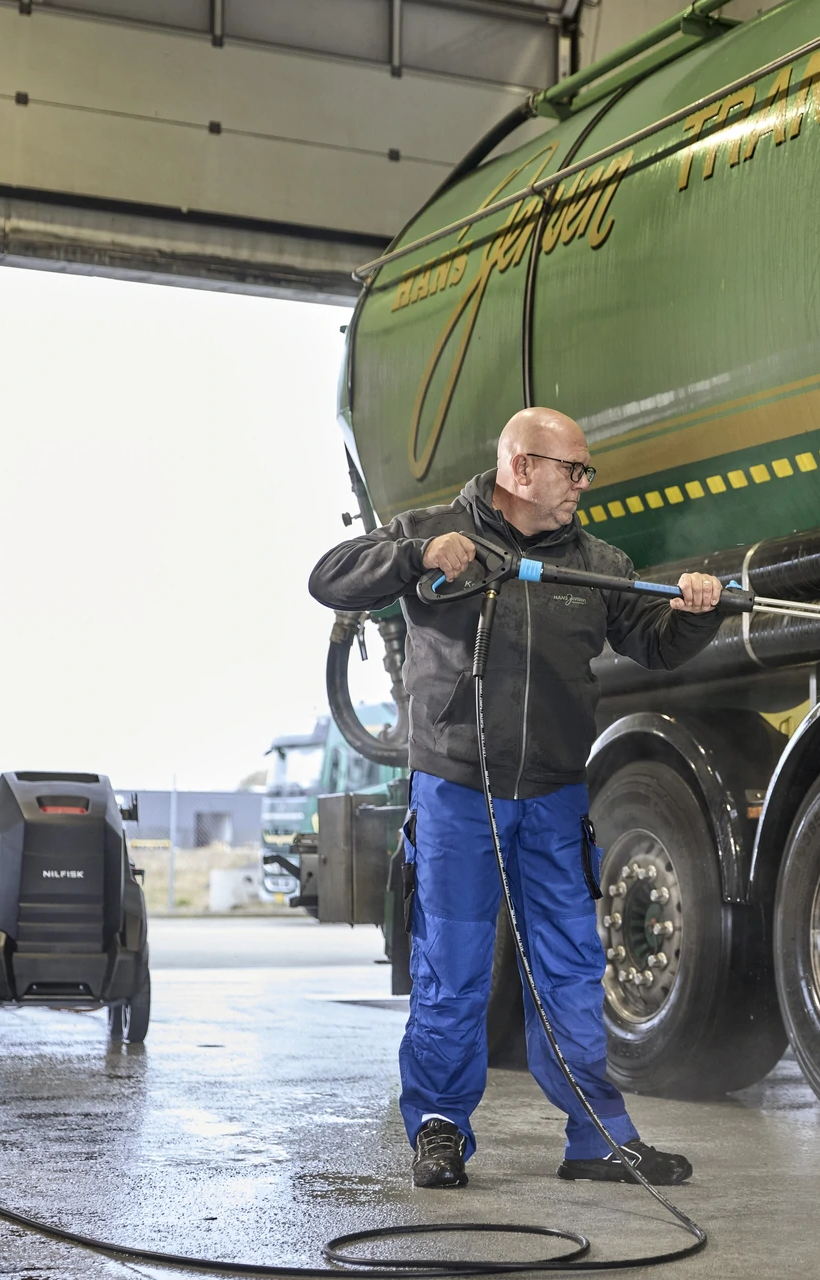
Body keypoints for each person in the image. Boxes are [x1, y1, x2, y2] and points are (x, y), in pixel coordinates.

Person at [309, 406, 725, 1190]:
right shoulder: (436, 529)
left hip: (554, 796)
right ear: (521, 466)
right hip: (458, 791)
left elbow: (655, 643)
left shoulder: (595, 561)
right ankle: (439, 1128)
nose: (583, 484)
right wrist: (416, 554)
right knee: (454, 966)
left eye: (585, 470)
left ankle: (597, 1137)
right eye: (574, 469)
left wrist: (691, 612)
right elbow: (329, 576)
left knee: (572, 969)